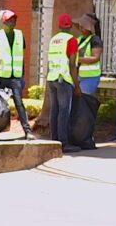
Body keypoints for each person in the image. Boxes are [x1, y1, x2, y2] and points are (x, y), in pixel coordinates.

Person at [0, 7, 27, 139]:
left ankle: (27, 131)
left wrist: (23, 76)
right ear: (4, 22)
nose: (12, 22)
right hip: (2, 77)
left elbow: (21, 58)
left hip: (15, 77)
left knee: (19, 104)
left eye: (14, 20)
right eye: (10, 20)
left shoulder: (20, 36)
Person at [70, 14, 106, 151]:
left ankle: (86, 136)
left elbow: (95, 58)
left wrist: (77, 59)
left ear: (89, 27)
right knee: (78, 107)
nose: (79, 27)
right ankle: (79, 134)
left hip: (90, 77)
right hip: (78, 77)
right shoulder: (80, 39)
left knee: (85, 108)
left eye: (82, 25)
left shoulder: (95, 40)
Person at [42, 15, 77, 144]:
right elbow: (72, 64)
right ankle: (64, 142)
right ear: (71, 26)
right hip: (64, 80)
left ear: (59, 26)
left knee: (54, 110)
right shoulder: (71, 40)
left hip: (52, 78)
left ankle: (54, 139)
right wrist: (77, 85)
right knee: (64, 111)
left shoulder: (53, 40)